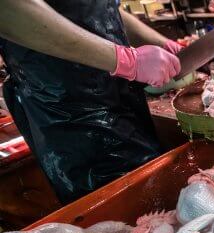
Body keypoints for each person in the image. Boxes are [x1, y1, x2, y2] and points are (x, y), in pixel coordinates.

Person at [0, 0, 183, 204]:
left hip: (118, 97)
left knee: (156, 198)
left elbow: (100, 7)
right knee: (121, 215)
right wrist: (126, 60)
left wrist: (161, 43)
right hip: (70, 114)